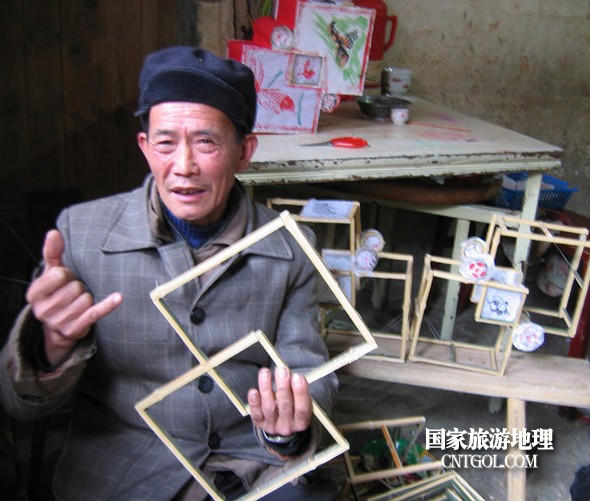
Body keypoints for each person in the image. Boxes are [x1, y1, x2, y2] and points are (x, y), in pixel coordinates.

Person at [0, 46, 338, 500]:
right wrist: (52, 345)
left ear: (244, 151)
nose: (183, 167)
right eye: (165, 143)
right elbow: (19, 403)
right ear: (144, 147)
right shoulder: (81, 235)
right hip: (126, 467)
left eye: (206, 142)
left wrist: (288, 431)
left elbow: (310, 371)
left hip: (251, 461)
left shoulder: (290, 248)